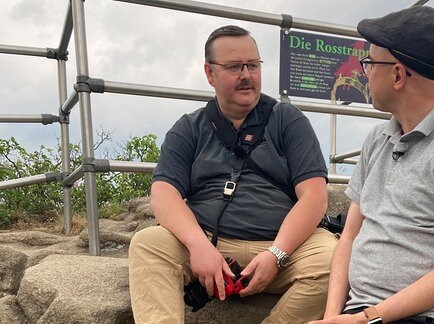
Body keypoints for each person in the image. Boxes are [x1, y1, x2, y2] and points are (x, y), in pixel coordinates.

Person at [310, 6, 434, 324]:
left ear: (398, 74)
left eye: (369, 63)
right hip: (360, 312)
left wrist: (366, 319)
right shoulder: (378, 138)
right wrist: (332, 316)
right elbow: (348, 237)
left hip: (432, 316)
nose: (366, 72)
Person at [128, 25, 337, 324]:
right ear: (210, 73)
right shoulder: (189, 128)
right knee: (148, 244)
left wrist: (277, 254)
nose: (246, 75)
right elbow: (164, 193)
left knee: (334, 260)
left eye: (252, 65)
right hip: (209, 243)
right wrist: (198, 246)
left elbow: (314, 196)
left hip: (285, 246)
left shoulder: (288, 120)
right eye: (234, 66)